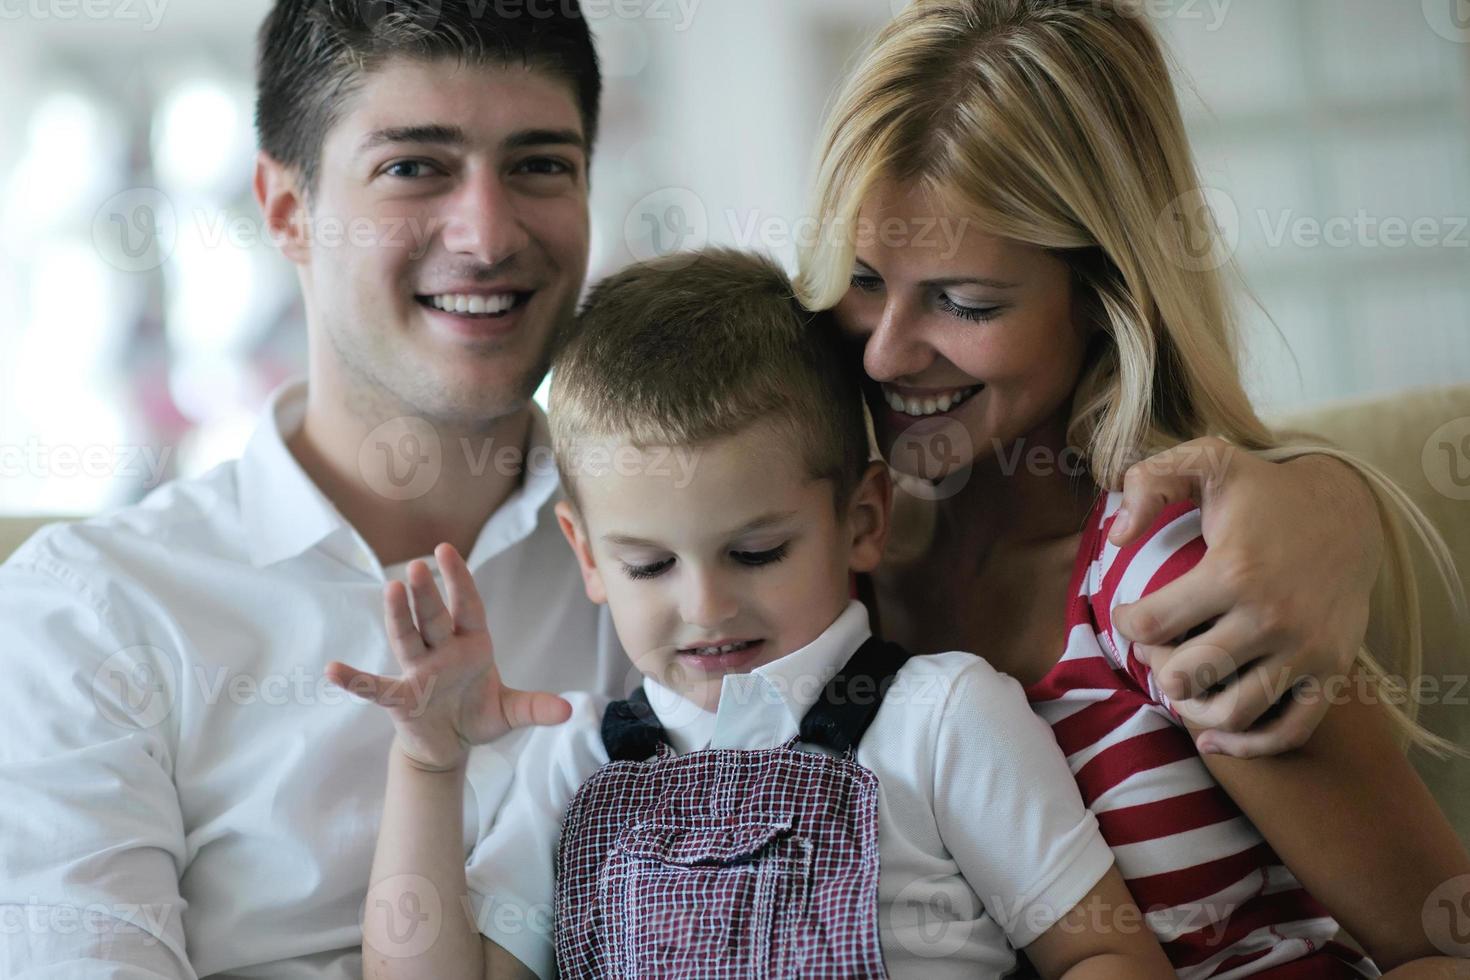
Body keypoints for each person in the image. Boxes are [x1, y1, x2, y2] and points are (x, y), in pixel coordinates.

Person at [0, 0, 1408, 974]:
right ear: (287, 209)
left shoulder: (773, 537)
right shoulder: (92, 615)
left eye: (538, 164)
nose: (483, 233)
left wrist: (1328, 499)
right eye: (415, 167)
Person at [796, 0, 1470, 972]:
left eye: (965, 301)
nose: (891, 349)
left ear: (1103, 297)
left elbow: (1439, 946)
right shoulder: (824, 571)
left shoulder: (1174, 577)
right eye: (864, 281)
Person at [330, 247, 1178, 978]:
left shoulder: (943, 718)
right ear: (587, 556)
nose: (705, 606)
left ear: (863, 521)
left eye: (757, 553)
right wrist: (429, 766)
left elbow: (1104, 955)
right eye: (649, 565)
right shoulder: (574, 762)